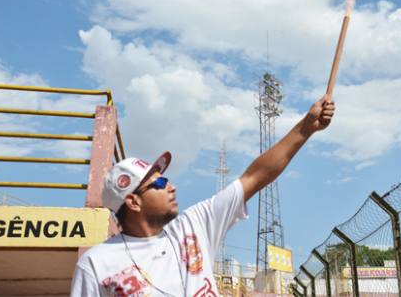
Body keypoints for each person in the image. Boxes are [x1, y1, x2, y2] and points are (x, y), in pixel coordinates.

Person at [71, 96, 335, 296]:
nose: (171, 186)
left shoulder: (194, 225)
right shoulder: (96, 265)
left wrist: (305, 128)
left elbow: (255, 176)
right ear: (133, 201)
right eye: (159, 182)